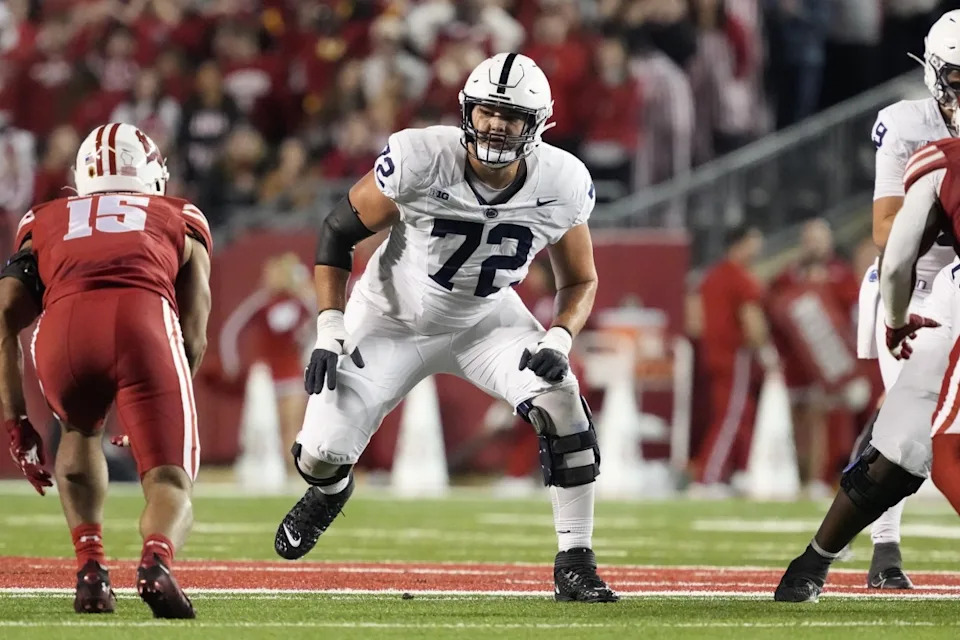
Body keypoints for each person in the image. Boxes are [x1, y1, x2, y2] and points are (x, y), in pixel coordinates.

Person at [272, 52, 618, 603]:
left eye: (512, 116)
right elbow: (337, 233)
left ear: (539, 125)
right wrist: (330, 328)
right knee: (316, 456)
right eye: (487, 111)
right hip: (389, 317)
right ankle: (331, 491)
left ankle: (575, 562)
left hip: (485, 321)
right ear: (467, 111)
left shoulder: (563, 180)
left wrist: (560, 337)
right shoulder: (419, 156)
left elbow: (579, 280)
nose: (496, 125)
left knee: (562, 403)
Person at [774, 12, 960, 601]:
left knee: (920, 432)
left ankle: (820, 559)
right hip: (925, 292)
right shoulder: (915, 132)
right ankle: (872, 549)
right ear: (934, 74)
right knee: (905, 434)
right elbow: (889, 236)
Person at [0, 123, 212, 618]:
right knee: (169, 478)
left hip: (65, 334)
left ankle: (91, 571)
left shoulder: (43, 218)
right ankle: (156, 559)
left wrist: (16, 422)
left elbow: (5, 315)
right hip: (144, 324)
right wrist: (163, 408)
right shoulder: (179, 213)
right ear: (153, 172)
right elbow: (194, 331)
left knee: (76, 429)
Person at [691, 225, 779, 493]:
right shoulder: (742, 278)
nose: (758, 249)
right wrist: (766, 351)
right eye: (754, 243)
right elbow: (752, 321)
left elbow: (694, 321)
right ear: (740, 244)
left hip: (712, 353)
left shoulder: (711, 276)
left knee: (741, 414)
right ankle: (708, 476)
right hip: (735, 356)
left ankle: (737, 471)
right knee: (730, 417)